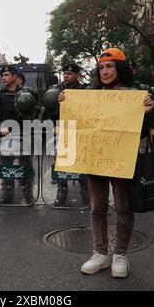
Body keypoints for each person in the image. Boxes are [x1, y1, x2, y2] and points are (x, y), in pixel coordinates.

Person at [59, 48, 154, 278]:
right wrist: (65, 104)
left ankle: (120, 254)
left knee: (123, 206)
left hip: (121, 160)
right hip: (95, 158)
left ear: (120, 69)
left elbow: (140, 132)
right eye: (101, 67)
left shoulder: (136, 94)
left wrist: (147, 113)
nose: (105, 71)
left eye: (110, 66)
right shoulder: (90, 94)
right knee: (97, 207)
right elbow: (77, 125)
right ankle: (100, 253)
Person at [0, 65, 39, 204]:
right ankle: (8, 192)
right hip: (5, 136)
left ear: (15, 77)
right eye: (2, 76)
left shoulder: (29, 93)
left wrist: (32, 117)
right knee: (6, 165)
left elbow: (38, 109)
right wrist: (0, 126)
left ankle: (27, 192)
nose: (3, 78)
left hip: (25, 135)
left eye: (6, 75)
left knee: (26, 165)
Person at [42, 63, 89, 206]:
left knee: (81, 162)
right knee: (61, 162)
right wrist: (53, 125)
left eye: (69, 73)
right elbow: (48, 111)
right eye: (64, 73)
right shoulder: (56, 91)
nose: (66, 76)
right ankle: (62, 191)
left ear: (77, 75)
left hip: (80, 131)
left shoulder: (85, 90)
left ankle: (85, 191)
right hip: (61, 131)